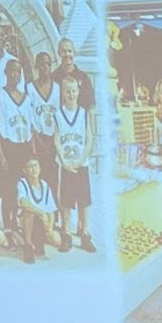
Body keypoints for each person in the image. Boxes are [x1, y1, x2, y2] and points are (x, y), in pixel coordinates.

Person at [0, 55, 35, 236]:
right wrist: (0, 154)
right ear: (6, 72)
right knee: (7, 189)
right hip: (8, 147)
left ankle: (17, 224)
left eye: (18, 71)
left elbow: (30, 126)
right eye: (12, 71)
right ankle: (8, 226)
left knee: (20, 188)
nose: (15, 74)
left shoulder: (26, 96)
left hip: (23, 147)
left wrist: (32, 152)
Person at [54, 72, 98, 251]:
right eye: (67, 91)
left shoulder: (83, 113)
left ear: (78, 92)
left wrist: (82, 159)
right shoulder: (58, 114)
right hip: (66, 164)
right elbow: (56, 139)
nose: (71, 94)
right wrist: (63, 161)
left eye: (73, 91)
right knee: (66, 201)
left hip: (81, 163)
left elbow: (90, 138)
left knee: (83, 201)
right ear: (63, 94)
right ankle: (66, 233)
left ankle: (85, 233)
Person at [27, 49, 62, 189]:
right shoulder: (29, 88)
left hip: (54, 139)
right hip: (37, 140)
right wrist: (37, 138)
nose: (45, 67)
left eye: (48, 64)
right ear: (36, 66)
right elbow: (28, 117)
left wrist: (56, 138)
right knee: (37, 180)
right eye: (42, 64)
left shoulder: (58, 88)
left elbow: (61, 116)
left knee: (54, 180)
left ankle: (54, 204)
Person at [16, 151, 60, 260]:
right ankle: (28, 244)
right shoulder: (22, 183)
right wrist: (41, 213)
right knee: (29, 211)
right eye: (30, 167)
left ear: (40, 168)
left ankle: (39, 240)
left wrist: (49, 228)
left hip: (41, 222)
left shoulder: (45, 185)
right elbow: (24, 203)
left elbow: (51, 210)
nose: (33, 169)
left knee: (57, 240)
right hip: (26, 221)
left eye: (35, 166)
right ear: (25, 170)